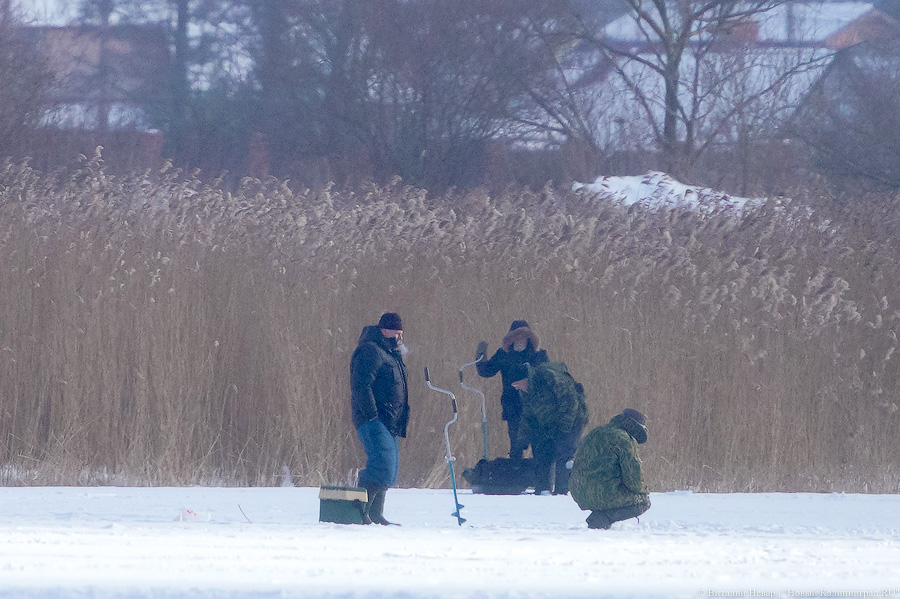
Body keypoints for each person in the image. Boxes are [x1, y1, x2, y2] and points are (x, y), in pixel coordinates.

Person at [350, 312, 409, 525]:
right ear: (385, 331)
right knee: (381, 465)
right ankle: (359, 513)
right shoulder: (370, 351)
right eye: (397, 333)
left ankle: (375, 514)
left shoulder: (390, 353)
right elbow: (361, 385)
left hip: (389, 421)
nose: (400, 337)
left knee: (389, 469)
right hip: (374, 419)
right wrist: (372, 414)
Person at [512, 361, 587, 495]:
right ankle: (542, 491)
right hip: (548, 426)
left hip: (572, 423)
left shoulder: (550, 378)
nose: (517, 388)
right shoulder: (527, 392)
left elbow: (570, 403)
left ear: (525, 378)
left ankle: (563, 492)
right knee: (542, 456)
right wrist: (521, 443)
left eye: (517, 384)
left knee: (563, 458)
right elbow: (528, 417)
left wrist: (564, 429)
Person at [475, 320, 548, 458]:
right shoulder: (504, 355)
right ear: (511, 339)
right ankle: (516, 475)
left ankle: (540, 477)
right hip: (513, 406)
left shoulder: (539, 355)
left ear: (529, 339)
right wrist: (481, 354)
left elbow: (548, 378)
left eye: (523, 337)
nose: (520, 341)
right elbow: (486, 371)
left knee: (539, 446)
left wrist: (529, 383)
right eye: (516, 337)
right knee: (516, 446)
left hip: (535, 408)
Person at [569, 408, 650, 529]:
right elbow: (634, 481)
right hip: (603, 494)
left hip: (578, 492)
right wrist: (645, 490)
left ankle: (600, 516)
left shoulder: (595, 432)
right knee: (644, 501)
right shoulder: (625, 440)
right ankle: (602, 518)